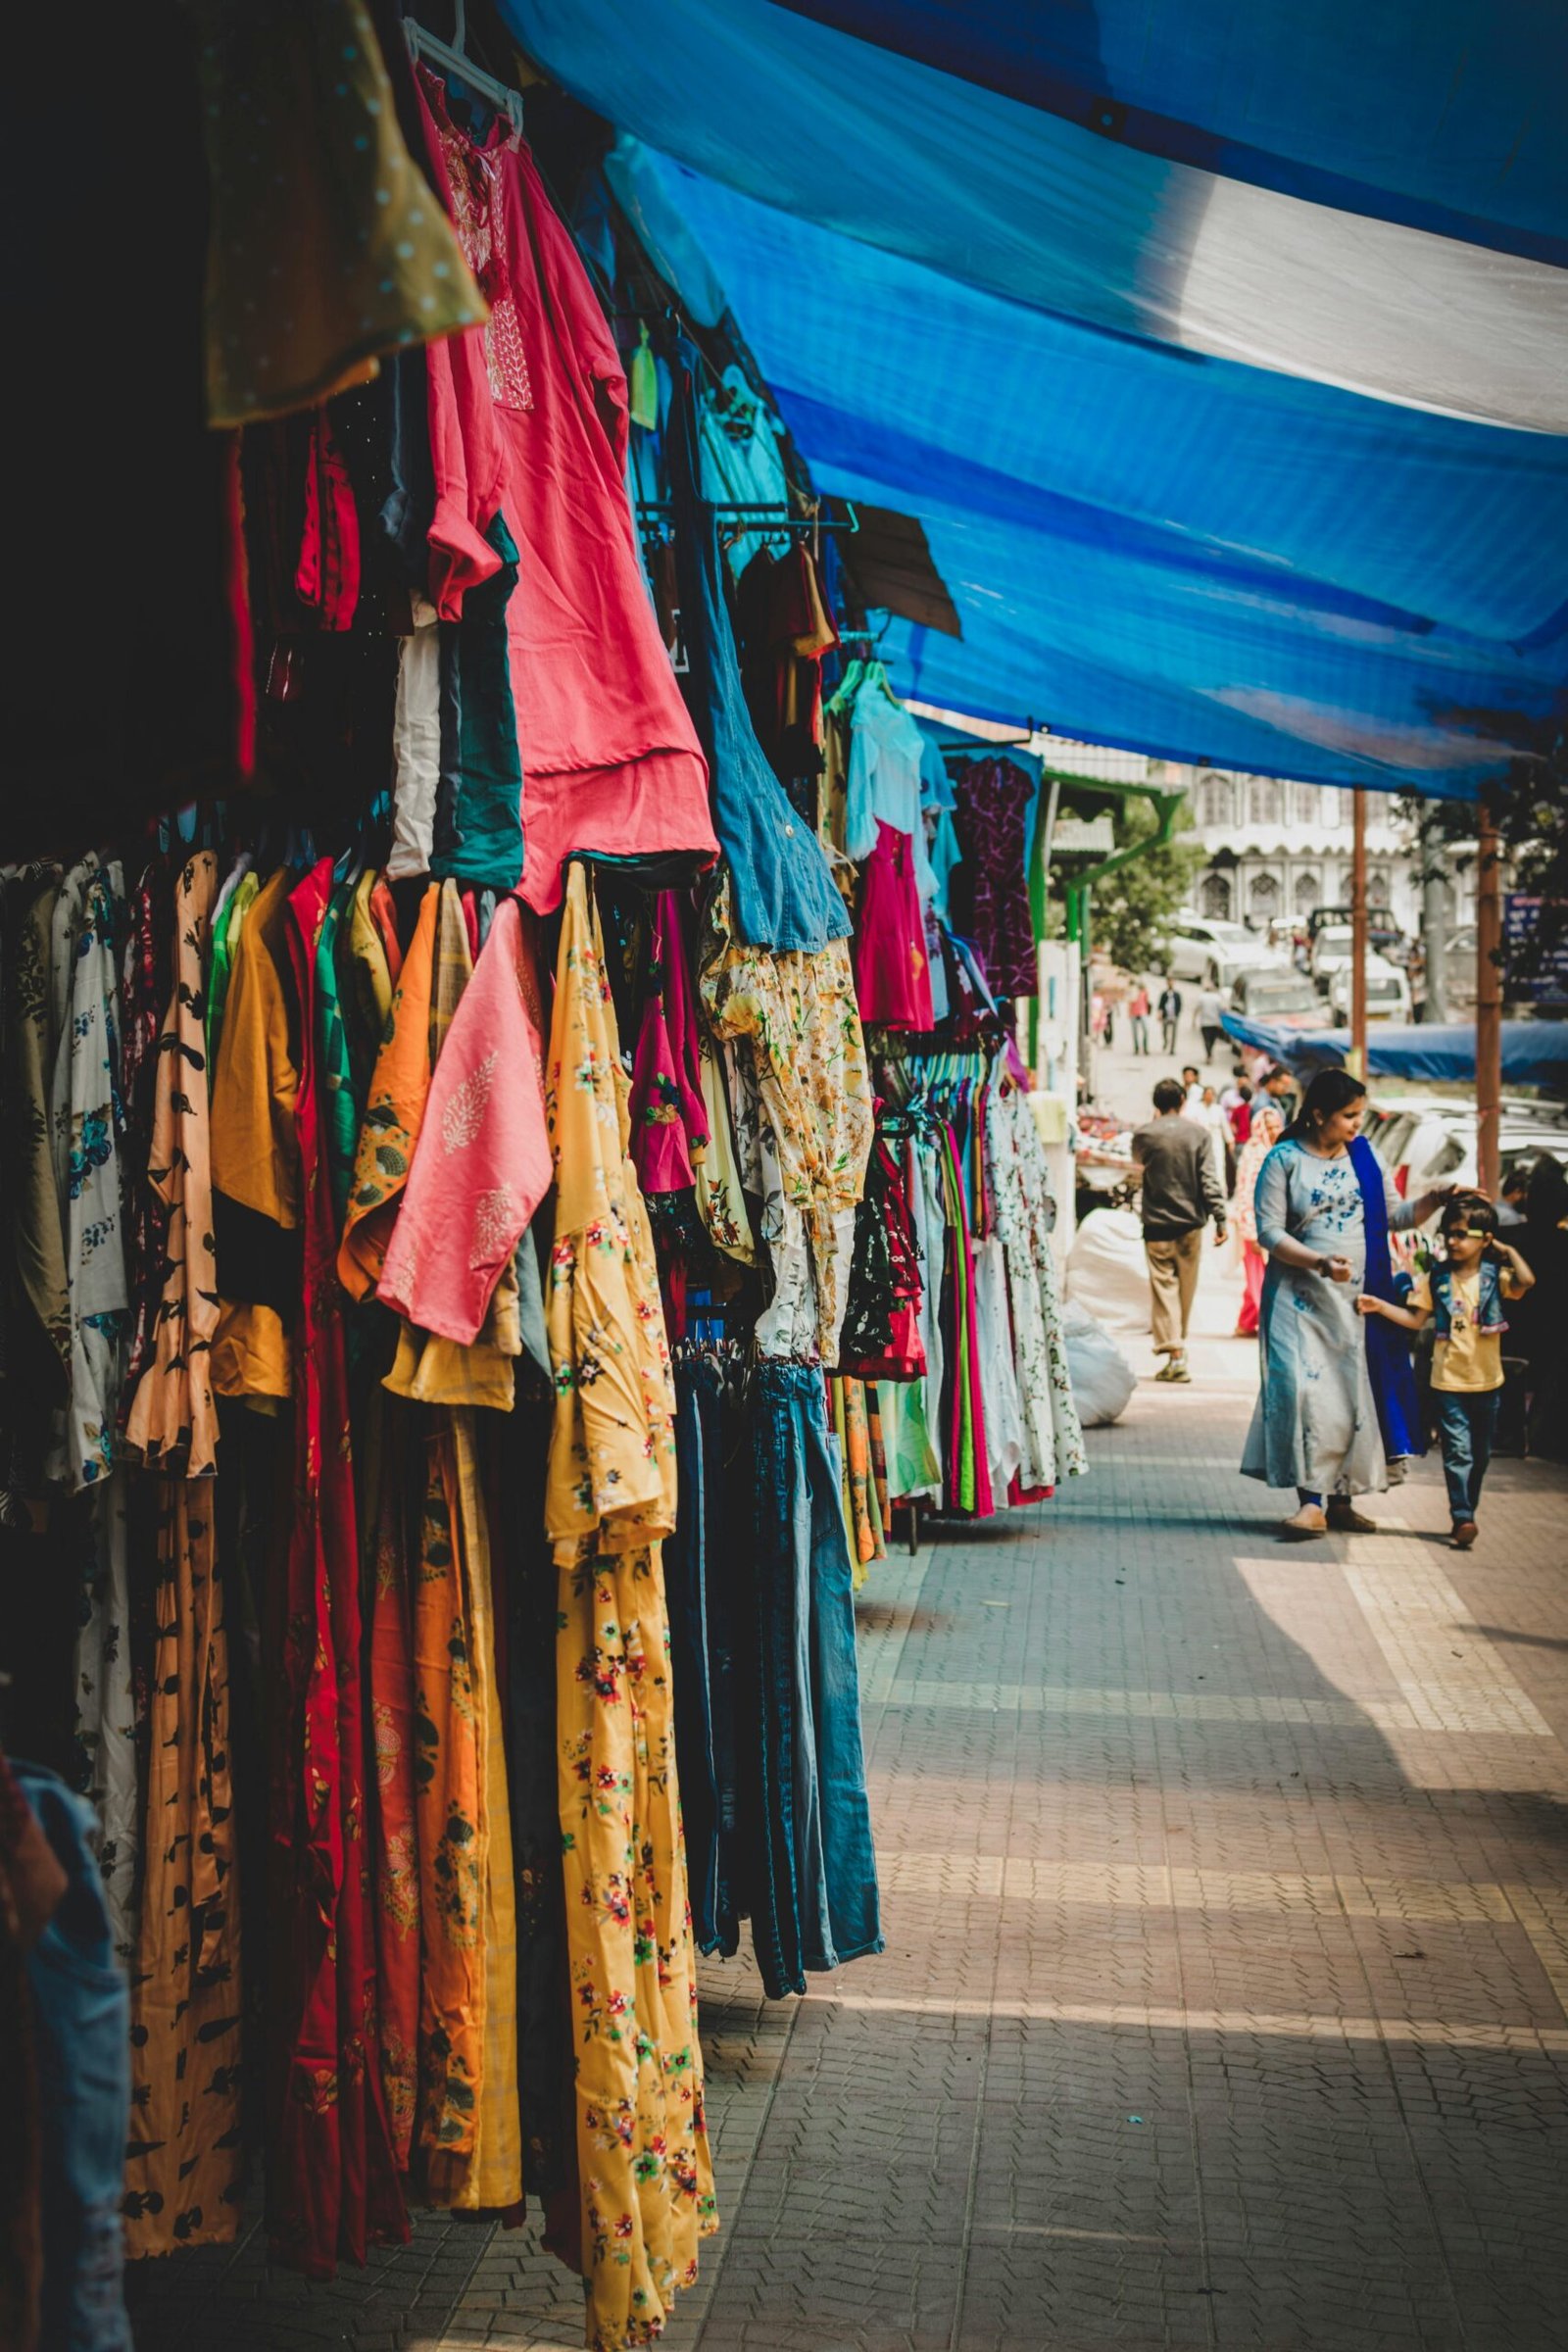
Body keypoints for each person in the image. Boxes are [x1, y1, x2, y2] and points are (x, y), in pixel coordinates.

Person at [1240, 1068, 1449, 1539]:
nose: (1358, 1124)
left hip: (1357, 1302)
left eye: (1360, 1115)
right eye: (1350, 1115)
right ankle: (1310, 1502)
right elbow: (1269, 1232)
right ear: (1319, 1115)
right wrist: (1318, 1261)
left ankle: (1340, 1500)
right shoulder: (1284, 1159)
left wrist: (1436, 1198)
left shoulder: (1366, 1156)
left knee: (1349, 1396)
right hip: (1297, 1300)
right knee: (1305, 1394)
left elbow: (1395, 1216)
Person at [1356, 1195, 1534, 1548]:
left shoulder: (1494, 1277)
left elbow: (1526, 1281)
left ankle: (1467, 1510)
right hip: (1448, 1382)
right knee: (1458, 1454)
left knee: (1480, 1456)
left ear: (1485, 1240)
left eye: (1462, 1234)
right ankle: (1462, 1516)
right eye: (1448, 1233)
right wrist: (1380, 1307)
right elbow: (1414, 1319)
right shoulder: (1436, 1279)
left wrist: (1506, 1249)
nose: (1452, 1241)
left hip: (1488, 1383)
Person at [1129, 1076, 1228, 1384]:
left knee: (1164, 1289)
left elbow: (1137, 1162)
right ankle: (1177, 1350)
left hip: (1157, 1224)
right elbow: (1209, 1179)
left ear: (1155, 1104)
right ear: (1183, 1101)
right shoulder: (1199, 1134)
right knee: (1186, 1290)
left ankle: (1175, 1352)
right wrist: (1220, 1217)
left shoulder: (1144, 1135)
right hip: (1190, 1224)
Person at [1233, 1102, 1284, 1336]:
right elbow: (1246, 1194)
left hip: (1266, 1227)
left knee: (1257, 1277)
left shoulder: (1270, 1151)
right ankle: (1271, 1326)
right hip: (1254, 1228)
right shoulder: (1255, 1154)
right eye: (1269, 1127)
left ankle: (1245, 1324)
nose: (1274, 1131)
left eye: (1277, 1126)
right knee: (1260, 1280)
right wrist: (1252, 1233)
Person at [1195, 981, 1226, 1061]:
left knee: (1207, 1040)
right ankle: (1209, 1054)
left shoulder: (1202, 997)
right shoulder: (1217, 998)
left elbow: (1197, 1009)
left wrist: (1194, 1020)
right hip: (1215, 1023)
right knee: (1212, 1040)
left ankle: (1209, 1054)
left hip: (1205, 1023)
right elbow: (1222, 1010)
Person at [1494, 1165, 1530, 1229]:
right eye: (1524, 1192)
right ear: (1517, 1192)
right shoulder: (1511, 1218)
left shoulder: (1494, 1208)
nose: (1526, 1197)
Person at [1157, 977, 1181, 1054]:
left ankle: (1172, 1049)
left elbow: (1179, 1005)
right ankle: (1166, 1041)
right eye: (1169, 981)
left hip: (1174, 1015)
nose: (1170, 983)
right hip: (1166, 1015)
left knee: (1174, 1033)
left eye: (1172, 981)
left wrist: (1177, 1014)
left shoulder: (1177, 994)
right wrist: (1160, 1014)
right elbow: (1160, 1005)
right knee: (1164, 1031)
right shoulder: (1164, 994)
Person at [1128, 982, 1151, 1054]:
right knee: (1135, 1032)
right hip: (1134, 1013)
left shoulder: (1145, 992)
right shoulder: (1133, 991)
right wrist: (1129, 1013)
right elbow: (1130, 1002)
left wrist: (1147, 1012)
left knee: (1146, 1030)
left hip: (1143, 1013)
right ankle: (1136, 1047)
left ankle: (1145, 1047)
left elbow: (1146, 1002)